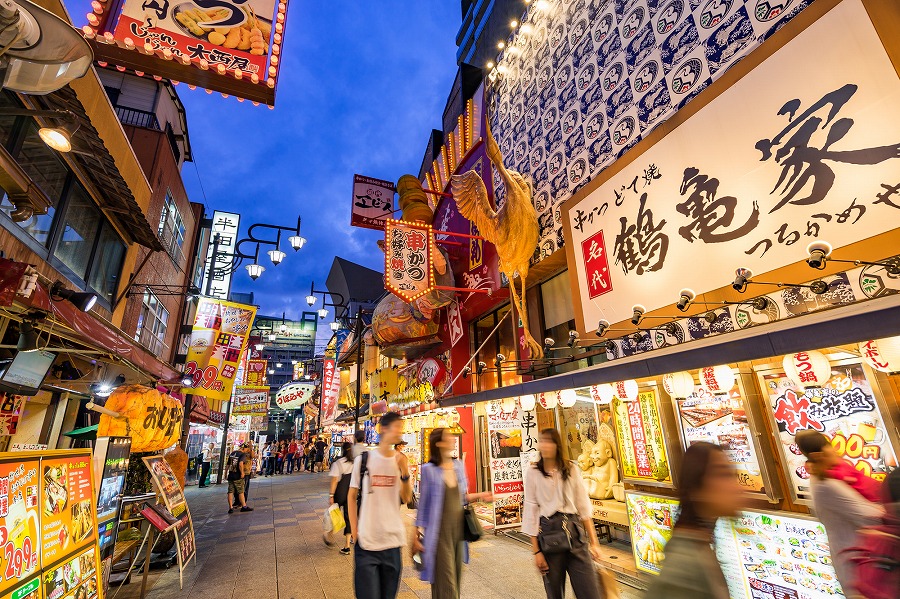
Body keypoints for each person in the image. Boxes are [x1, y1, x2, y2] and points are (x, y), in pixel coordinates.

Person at [645, 443, 742, 599]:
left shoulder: (699, 545)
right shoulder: (684, 568)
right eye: (723, 474)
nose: (736, 487)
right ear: (697, 487)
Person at [795, 430, 884, 594]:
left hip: (861, 560)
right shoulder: (826, 485)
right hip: (861, 564)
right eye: (829, 446)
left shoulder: (827, 478)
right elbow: (870, 518)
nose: (835, 450)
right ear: (819, 454)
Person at [524, 428, 603, 599]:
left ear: (557, 445)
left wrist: (594, 542)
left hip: (575, 532)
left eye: (548, 441)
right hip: (549, 534)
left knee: (589, 591)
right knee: (554, 593)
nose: (544, 445)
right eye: (541, 441)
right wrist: (536, 552)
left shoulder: (571, 469)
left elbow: (583, 507)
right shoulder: (533, 472)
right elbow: (531, 511)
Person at [413, 428, 492, 599]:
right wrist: (416, 535)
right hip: (439, 535)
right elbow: (423, 505)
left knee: (453, 580)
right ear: (439, 443)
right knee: (448, 586)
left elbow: (462, 497)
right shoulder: (429, 470)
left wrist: (481, 496)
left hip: (458, 535)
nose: (453, 439)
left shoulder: (458, 465)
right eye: (448, 437)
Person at [348, 412, 413, 599]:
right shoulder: (364, 460)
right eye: (397, 427)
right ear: (384, 429)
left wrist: (405, 472)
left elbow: (407, 498)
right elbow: (351, 496)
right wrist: (354, 530)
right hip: (367, 543)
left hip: (393, 543)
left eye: (401, 428)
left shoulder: (400, 460)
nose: (400, 432)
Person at [326, 441, 355, 554]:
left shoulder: (338, 463)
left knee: (335, 514)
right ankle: (347, 545)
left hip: (340, 492)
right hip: (351, 493)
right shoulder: (355, 462)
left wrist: (331, 495)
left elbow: (334, 480)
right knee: (349, 518)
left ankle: (330, 534)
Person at [225, 442, 254, 514]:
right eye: (247, 449)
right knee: (241, 491)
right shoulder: (242, 454)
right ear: (244, 448)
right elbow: (241, 464)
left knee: (230, 491)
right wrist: (242, 473)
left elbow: (228, 464)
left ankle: (230, 507)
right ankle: (244, 506)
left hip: (231, 475)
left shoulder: (232, 453)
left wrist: (225, 473)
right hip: (237, 475)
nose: (247, 450)